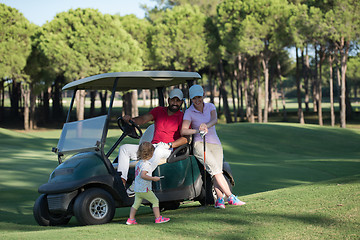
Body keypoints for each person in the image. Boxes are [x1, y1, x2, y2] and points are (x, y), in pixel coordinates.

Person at [181, 84, 246, 209]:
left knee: (217, 172)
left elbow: (214, 120)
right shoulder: (189, 112)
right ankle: (231, 197)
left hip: (215, 143)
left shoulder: (210, 106)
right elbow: (183, 130)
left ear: (203, 95)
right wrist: (197, 131)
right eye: (194, 98)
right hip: (200, 144)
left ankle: (220, 200)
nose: (197, 100)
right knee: (215, 171)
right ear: (191, 99)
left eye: (199, 97)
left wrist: (206, 125)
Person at [118, 88, 188, 188]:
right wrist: (131, 120)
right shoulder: (159, 111)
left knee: (158, 150)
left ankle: (139, 182)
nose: (175, 103)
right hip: (153, 147)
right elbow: (143, 119)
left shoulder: (183, 117)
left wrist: (169, 145)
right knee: (124, 149)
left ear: (181, 102)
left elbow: (186, 139)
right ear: (168, 100)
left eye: (178, 101)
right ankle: (122, 182)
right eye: (173, 100)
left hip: (168, 149)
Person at [126, 142, 171, 225]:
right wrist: (153, 178)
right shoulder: (146, 165)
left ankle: (130, 219)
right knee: (155, 201)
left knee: (136, 204)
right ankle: (158, 218)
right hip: (145, 189)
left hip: (137, 189)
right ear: (151, 153)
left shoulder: (138, 163)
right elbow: (143, 175)